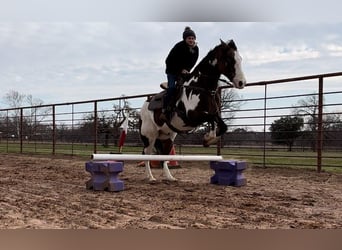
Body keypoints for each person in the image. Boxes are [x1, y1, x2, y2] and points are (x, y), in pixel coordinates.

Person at [160, 26, 199, 121]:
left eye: (193, 38)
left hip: (185, 72)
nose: (191, 40)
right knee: (172, 88)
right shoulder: (179, 46)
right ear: (185, 39)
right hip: (172, 71)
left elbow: (193, 62)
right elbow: (168, 60)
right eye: (189, 38)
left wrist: (187, 70)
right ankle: (165, 110)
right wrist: (180, 70)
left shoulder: (196, 49)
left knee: (190, 87)